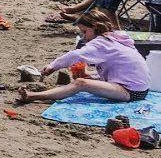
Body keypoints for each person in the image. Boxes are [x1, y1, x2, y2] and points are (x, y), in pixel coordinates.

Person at [17, 14, 150, 104]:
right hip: (139, 87)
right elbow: (117, 68)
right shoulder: (115, 38)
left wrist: (54, 65)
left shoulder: (102, 43)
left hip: (131, 91)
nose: (84, 36)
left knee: (81, 83)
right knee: (86, 79)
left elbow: (76, 55)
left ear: (96, 28)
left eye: (85, 31)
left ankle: (33, 96)